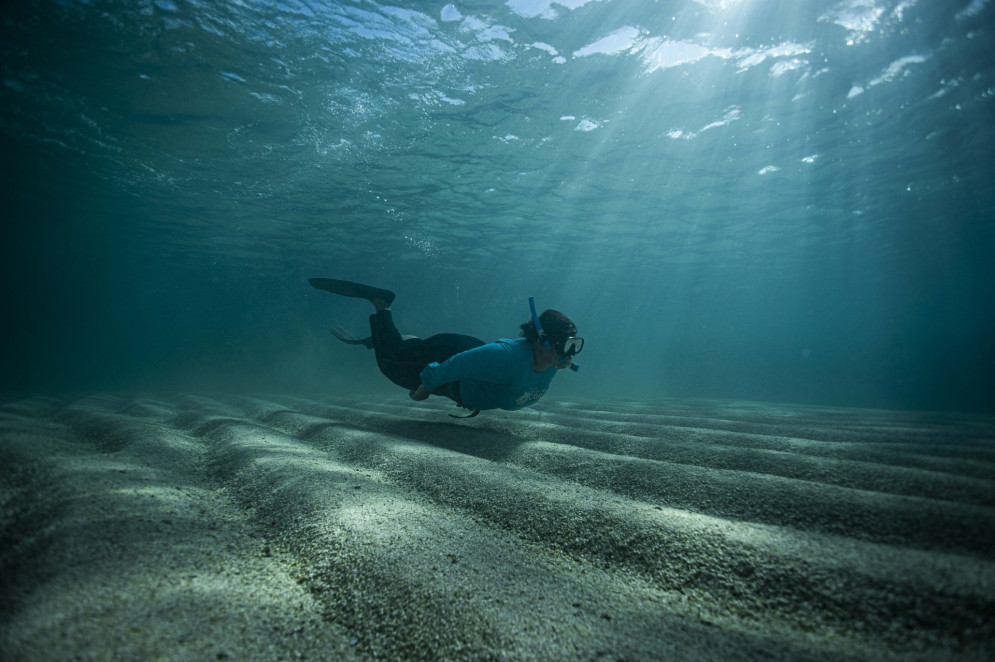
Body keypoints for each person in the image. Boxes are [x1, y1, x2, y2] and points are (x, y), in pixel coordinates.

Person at [309, 278, 583, 417]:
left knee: (407, 353)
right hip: (449, 357)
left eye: (574, 346)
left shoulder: (551, 361)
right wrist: (423, 390)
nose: (569, 354)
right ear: (541, 341)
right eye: (565, 346)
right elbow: (451, 367)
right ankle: (382, 304)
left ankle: (402, 341)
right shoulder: (507, 357)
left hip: (464, 354)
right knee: (391, 366)